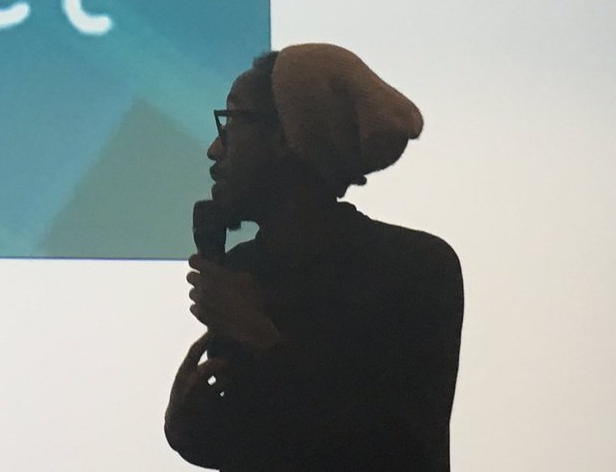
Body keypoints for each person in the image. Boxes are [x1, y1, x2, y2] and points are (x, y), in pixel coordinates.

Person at [165, 44, 464, 471]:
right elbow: (272, 447)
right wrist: (189, 429)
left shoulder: (417, 267)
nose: (215, 149)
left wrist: (260, 336)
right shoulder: (247, 268)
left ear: (287, 136)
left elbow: (401, 451)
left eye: (231, 123)